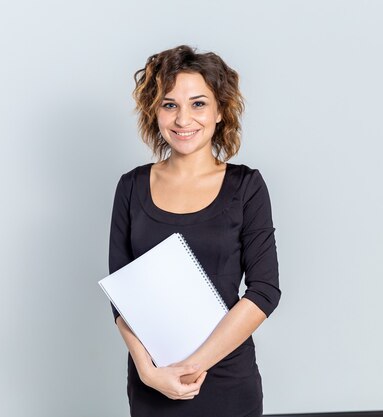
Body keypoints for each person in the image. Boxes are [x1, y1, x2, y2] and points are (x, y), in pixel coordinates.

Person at [107, 44, 281, 417]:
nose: (183, 119)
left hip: (228, 382)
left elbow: (264, 291)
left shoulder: (246, 186)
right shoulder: (131, 187)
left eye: (198, 104)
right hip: (153, 384)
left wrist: (194, 365)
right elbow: (122, 297)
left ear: (220, 110)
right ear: (154, 112)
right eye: (170, 104)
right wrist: (147, 371)